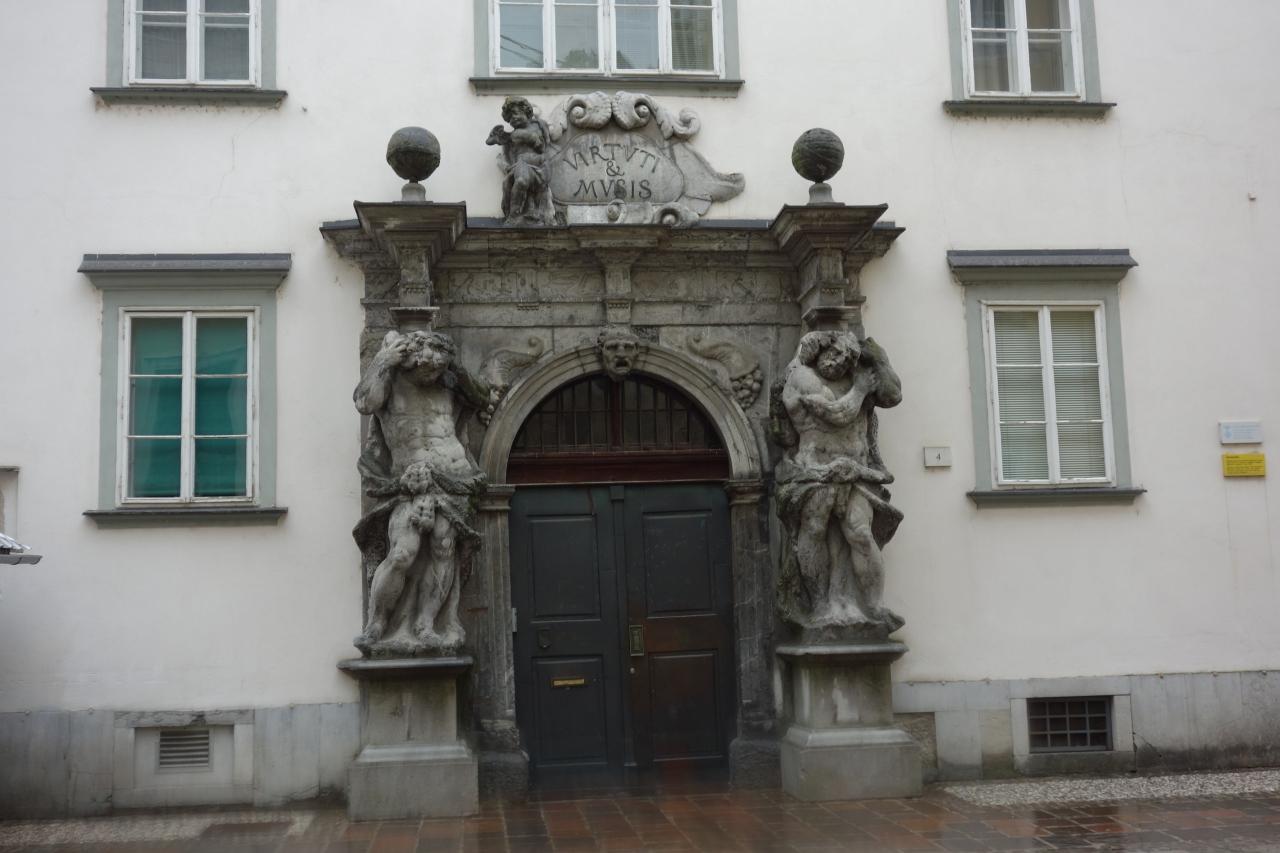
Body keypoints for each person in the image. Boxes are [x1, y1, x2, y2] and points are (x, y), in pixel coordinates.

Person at [351, 329, 489, 655]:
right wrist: (382, 360)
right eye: (426, 366)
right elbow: (364, 403)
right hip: (410, 482)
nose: (431, 373)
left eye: (438, 367)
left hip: (454, 477)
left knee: (443, 547)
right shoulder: (389, 379)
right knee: (402, 552)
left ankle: (426, 624)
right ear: (409, 360)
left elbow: (480, 398)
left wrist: (454, 368)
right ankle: (377, 624)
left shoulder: (449, 381)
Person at [774, 330, 905, 635]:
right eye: (833, 355)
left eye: (846, 360)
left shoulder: (855, 376)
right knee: (815, 530)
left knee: (860, 534)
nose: (837, 363)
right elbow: (835, 414)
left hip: (856, 472)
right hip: (816, 471)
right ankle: (820, 607)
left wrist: (879, 359)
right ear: (818, 352)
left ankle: (872, 607)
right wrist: (860, 389)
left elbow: (892, 396)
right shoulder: (802, 376)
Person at [486, 96, 556, 226]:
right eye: (510, 118)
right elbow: (490, 142)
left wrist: (525, 136)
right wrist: (502, 137)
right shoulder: (512, 136)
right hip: (521, 166)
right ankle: (514, 215)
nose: (513, 119)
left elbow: (543, 146)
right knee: (521, 181)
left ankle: (520, 214)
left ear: (526, 112)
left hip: (539, 166)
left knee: (523, 179)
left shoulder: (538, 125)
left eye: (516, 113)